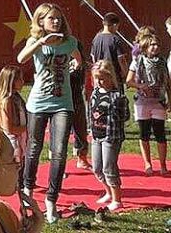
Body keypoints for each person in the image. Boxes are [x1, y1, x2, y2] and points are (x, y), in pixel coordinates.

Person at [16, 2, 81, 223]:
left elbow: (78, 58)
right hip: (39, 103)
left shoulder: (70, 42)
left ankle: (51, 201)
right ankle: (28, 193)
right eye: (51, 18)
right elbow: (21, 59)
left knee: (59, 151)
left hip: (63, 103)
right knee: (34, 148)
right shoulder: (35, 41)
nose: (56, 21)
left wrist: (75, 64)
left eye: (58, 18)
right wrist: (41, 43)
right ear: (41, 21)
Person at [126, 33, 170, 176]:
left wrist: (170, 99)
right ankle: (147, 163)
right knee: (144, 133)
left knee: (160, 133)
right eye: (152, 45)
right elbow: (128, 81)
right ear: (145, 47)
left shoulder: (162, 62)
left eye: (157, 44)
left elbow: (168, 83)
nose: (156, 47)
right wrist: (141, 86)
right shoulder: (137, 61)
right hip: (142, 102)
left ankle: (163, 165)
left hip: (158, 101)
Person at [88, 60, 130, 211]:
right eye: (96, 78)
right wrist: (91, 129)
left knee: (109, 167)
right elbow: (91, 112)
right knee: (97, 167)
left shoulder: (118, 96)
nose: (99, 82)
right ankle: (108, 192)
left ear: (110, 77)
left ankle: (117, 199)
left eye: (102, 78)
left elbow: (125, 116)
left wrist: (114, 116)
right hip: (96, 135)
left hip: (110, 137)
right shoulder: (95, 93)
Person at [0, 65, 27, 171]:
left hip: (20, 137)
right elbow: (9, 128)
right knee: (15, 165)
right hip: (12, 140)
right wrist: (27, 128)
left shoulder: (17, 98)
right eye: (19, 79)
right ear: (11, 81)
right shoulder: (7, 101)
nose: (23, 82)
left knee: (22, 162)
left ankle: (21, 182)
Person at [69, 38, 92, 169]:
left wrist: (88, 95)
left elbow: (87, 81)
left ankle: (81, 157)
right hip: (63, 99)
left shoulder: (83, 64)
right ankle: (58, 163)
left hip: (77, 98)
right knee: (62, 132)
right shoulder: (61, 63)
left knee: (81, 129)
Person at [90, 12, 129, 85]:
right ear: (115, 25)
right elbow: (121, 60)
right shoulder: (115, 39)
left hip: (100, 76)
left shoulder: (96, 39)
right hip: (113, 77)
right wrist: (126, 75)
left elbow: (93, 58)